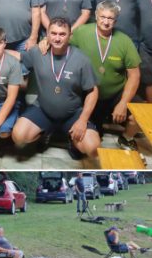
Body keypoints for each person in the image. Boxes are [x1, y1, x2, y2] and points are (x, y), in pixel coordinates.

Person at [10, 17, 100, 158]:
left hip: (72, 114)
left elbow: (93, 92)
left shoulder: (82, 59)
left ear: (70, 36)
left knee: (92, 148)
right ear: (47, 34)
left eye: (62, 34)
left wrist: (82, 120)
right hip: (43, 111)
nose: (57, 38)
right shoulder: (38, 52)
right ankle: (44, 133)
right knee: (18, 136)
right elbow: (18, 56)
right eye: (53, 33)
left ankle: (72, 141)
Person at [69, 0, 144, 149]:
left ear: (115, 21)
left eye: (110, 18)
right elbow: (62, 45)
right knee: (88, 145)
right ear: (96, 16)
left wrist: (123, 103)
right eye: (102, 16)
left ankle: (126, 138)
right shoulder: (81, 32)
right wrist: (45, 42)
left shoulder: (124, 41)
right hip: (88, 95)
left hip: (114, 95)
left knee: (141, 114)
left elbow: (134, 75)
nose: (106, 21)